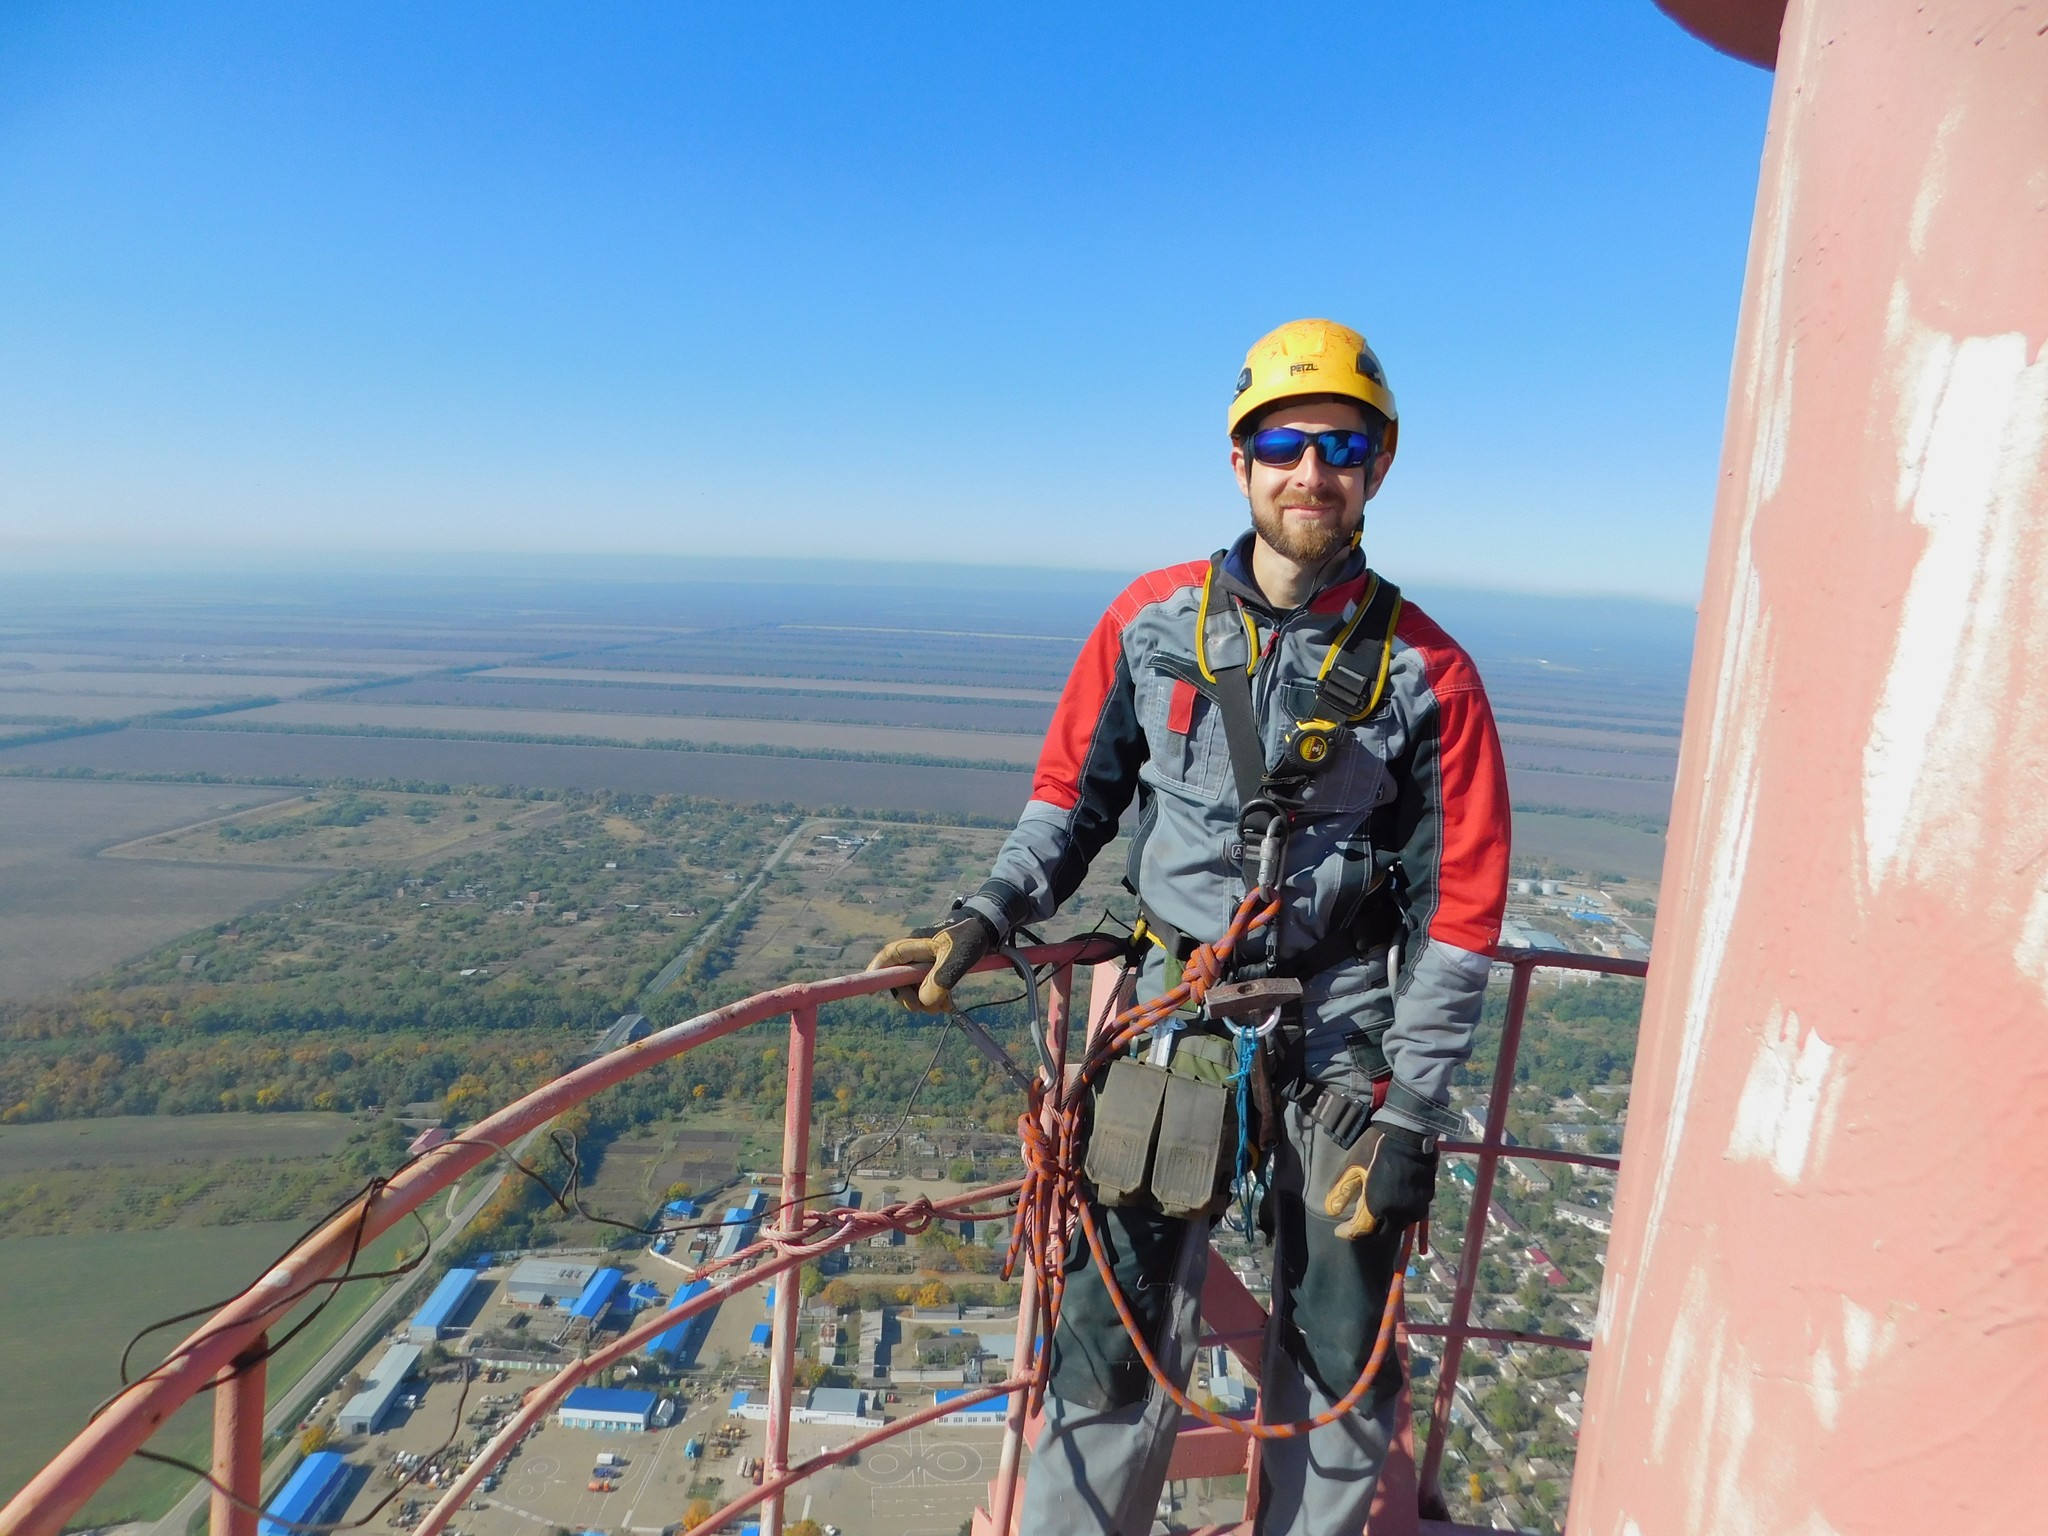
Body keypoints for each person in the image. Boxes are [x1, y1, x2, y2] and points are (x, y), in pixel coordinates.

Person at [870, 318, 1510, 1535]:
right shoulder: (1148, 621)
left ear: (1377, 466)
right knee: (1108, 1332)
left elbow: (1460, 912)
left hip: (1340, 1038)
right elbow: (1069, 800)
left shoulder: (1430, 675)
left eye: (1341, 444)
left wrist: (1414, 1113)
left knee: (1337, 1346)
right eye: (1282, 442)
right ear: (1239, 463)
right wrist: (984, 915)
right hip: (1177, 1017)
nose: (1309, 469)